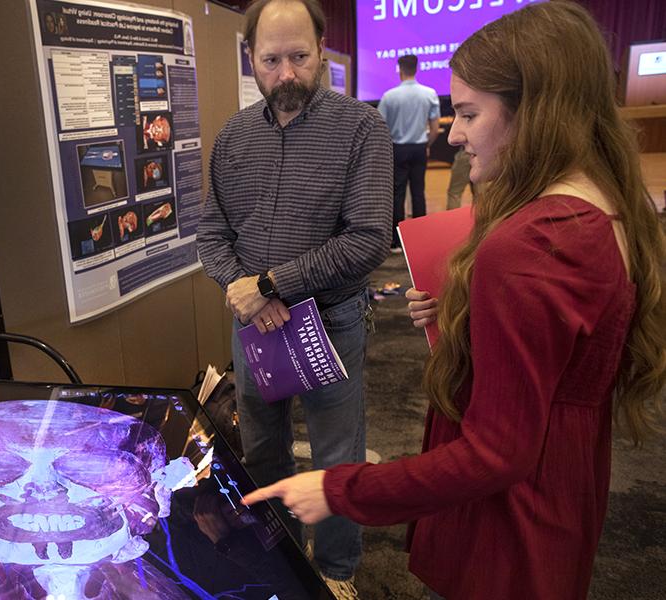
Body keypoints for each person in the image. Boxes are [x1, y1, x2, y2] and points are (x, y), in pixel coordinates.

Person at [242, 3, 666, 599]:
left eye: (468, 113)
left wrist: (341, 489)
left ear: (537, 114)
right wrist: (470, 314)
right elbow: (563, 353)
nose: (456, 134)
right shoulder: (599, 209)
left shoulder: (530, 246)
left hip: (506, 530)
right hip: (560, 496)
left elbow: (497, 450)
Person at [197, 0, 392, 597]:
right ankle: (277, 558)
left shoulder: (361, 128)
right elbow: (212, 235)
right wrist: (250, 293)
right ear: (250, 58)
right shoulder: (232, 138)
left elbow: (367, 240)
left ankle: (336, 571)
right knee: (261, 450)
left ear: (323, 52)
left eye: (300, 58)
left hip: (330, 324)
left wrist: (272, 284)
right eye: (272, 59)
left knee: (337, 460)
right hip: (255, 327)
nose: (287, 73)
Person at [378, 54, 440, 251]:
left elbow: (380, 126)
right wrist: (427, 144)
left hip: (397, 149)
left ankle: (396, 241)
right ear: (417, 68)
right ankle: (419, 237)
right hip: (419, 147)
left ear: (400, 70)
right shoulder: (429, 93)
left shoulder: (389, 96)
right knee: (418, 192)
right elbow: (435, 127)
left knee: (397, 193)